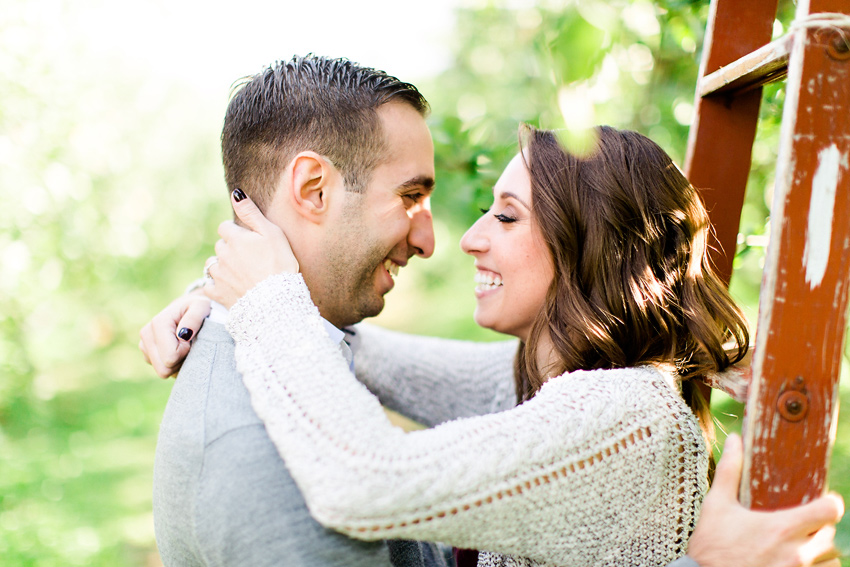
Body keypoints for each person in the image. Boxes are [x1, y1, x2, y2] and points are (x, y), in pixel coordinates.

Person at [140, 58, 845, 566]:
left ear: (587, 248)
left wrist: (266, 300)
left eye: (506, 216)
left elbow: (369, 479)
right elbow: (368, 356)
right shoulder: (552, 376)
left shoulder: (627, 414)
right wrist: (230, 295)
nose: (466, 236)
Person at [147, 55, 456, 567]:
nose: (427, 240)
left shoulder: (299, 357)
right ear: (314, 189)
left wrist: (221, 292)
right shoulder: (262, 457)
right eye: (409, 196)